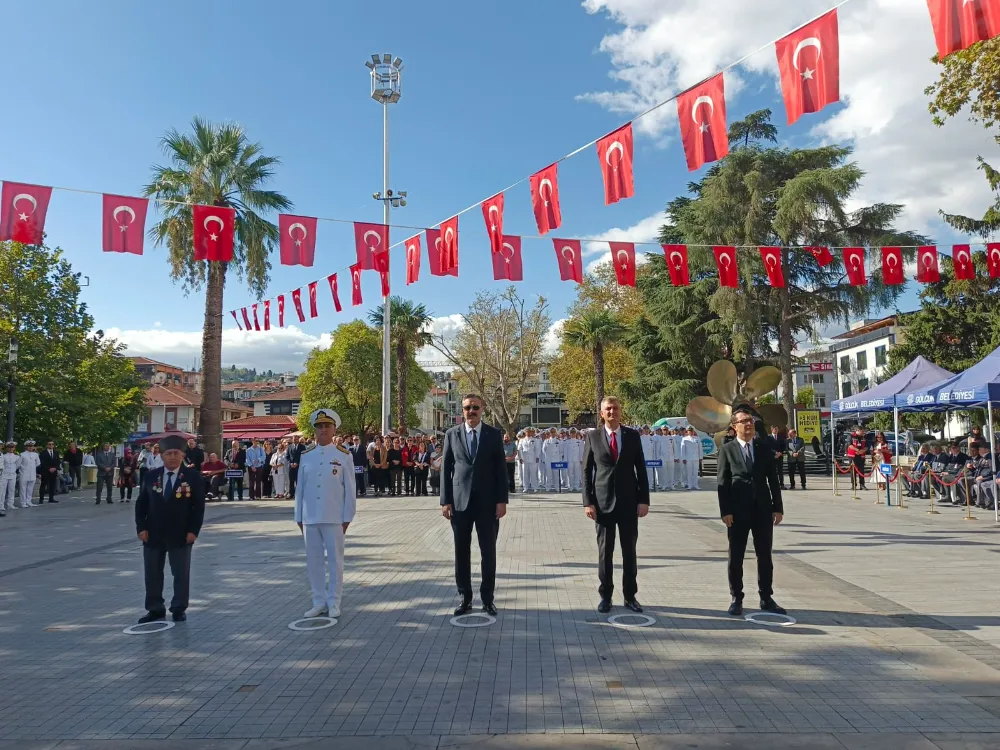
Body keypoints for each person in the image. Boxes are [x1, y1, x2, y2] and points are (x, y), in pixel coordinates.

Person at [441, 393, 508, 616]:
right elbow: (446, 469)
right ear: (462, 410)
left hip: (488, 504)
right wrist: (445, 501)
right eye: (467, 408)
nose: (471, 411)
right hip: (460, 503)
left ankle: (488, 599)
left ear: (483, 409)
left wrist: (502, 500)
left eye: (475, 407)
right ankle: (465, 598)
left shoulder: (493, 434)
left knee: (488, 551)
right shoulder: (451, 434)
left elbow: (500, 469)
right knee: (461, 551)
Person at [582, 396, 649, 614]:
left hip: (629, 504)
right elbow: (586, 471)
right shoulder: (592, 437)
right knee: (605, 553)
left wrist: (644, 500)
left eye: (616, 408)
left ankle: (630, 596)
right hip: (602, 505)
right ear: (601, 413)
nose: (612, 412)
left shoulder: (632, 436)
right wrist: (588, 502)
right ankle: (606, 596)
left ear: (621, 412)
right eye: (608, 409)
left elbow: (641, 469)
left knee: (629, 551)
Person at [717, 406, 785, 617]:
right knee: (735, 555)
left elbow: (773, 480)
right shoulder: (727, 449)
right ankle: (736, 597)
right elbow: (722, 482)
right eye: (744, 421)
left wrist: (778, 507)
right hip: (737, 511)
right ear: (734, 426)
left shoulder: (763, 448)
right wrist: (725, 511)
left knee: (764, 554)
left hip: (762, 509)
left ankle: (766, 596)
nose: (749, 424)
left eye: (751, 421)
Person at [135, 434, 206, 624]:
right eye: (168, 453)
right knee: (152, 573)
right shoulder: (151, 476)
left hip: (181, 533)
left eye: (176, 453)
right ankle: (155, 608)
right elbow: (141, 504)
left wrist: (193, 531)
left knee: (180, 573)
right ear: (162, 455)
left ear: (182, 455)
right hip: (153, 533)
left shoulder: (192, 476)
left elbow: (198, 507)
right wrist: (141, 528)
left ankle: (178, 608)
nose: (172, 457)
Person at [295, 408, 356, 619]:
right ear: (314, 430)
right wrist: (298, 516)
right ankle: (318, 601)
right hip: (311, 517)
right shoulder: (306, 456)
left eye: (327, 426)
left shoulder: (343, 455)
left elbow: (350, 489)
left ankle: (334, 602)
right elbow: (300, 488)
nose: (323, 430)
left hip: (334, 516)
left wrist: (347, 517)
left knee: (335, 561)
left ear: (334, 429)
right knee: (313, 562)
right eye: (319, 426)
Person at [18, 440, 39, 508]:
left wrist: (32, 467)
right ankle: (23, 502)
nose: (30, 447)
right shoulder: (22, 454)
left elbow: (38, 463)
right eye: (29, 446)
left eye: (32, 446)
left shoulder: (35, 454)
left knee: (30, 488)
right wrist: (23, 468)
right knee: (23, 488)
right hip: (24, 473)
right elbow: (18, 464)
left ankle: (29, 501)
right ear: (26, 447)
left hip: (32, 473)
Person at [0, 441, 19, 513]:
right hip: (4, 474)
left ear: (14, 448)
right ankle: (1, 505)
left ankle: (10, 504)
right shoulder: (4, 456)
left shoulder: (17, 457)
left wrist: (13, 471)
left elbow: (17, 465)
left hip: (12, 474)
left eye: (12, 447)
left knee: (12, 490)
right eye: (9, 447)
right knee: (2, 491)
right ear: (7, 448)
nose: (11, 448)